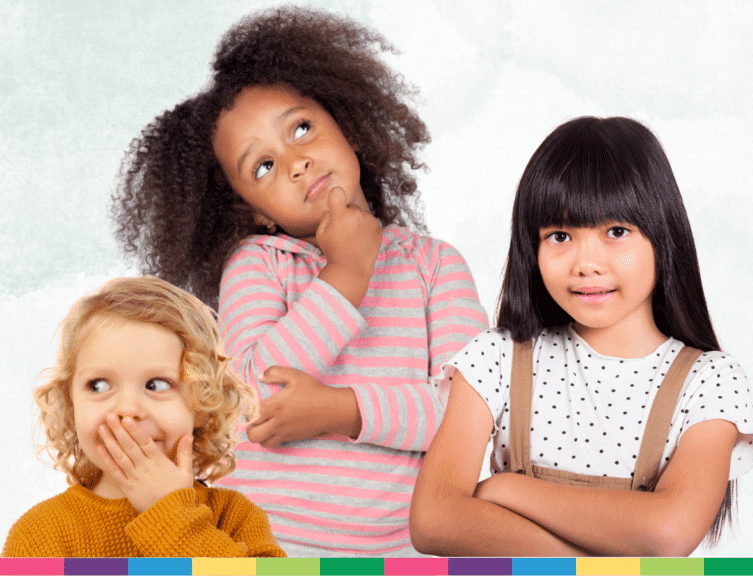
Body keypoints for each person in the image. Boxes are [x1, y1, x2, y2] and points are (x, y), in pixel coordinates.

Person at [110, 6, 488, 556]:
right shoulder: (260, 264)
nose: (295, 162)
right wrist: (347, 274)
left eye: (302, 128)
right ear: (255, 211)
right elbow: (250, 398)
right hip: (264, 547)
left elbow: (469, 419)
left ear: (348, 126)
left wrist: (343, 409)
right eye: (263, 166)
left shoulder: (435, 266)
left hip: (403, 555)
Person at [410, 116, 753, 557]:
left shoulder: (709, 380)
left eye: (616, 232)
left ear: (663, 234)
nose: (587, 263)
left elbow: (668, 532)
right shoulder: (497, 356)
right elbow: (433, 521)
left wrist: (505, 489)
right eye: (560, 235)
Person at [2, 277, 285, 558]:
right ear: (70, 404)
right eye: (99, 385)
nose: (128, 408)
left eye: (157, 384)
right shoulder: (39, 536)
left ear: (204, 403)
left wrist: (169, 513)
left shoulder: (234, 517)